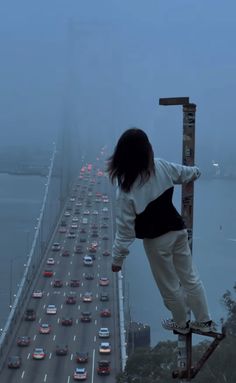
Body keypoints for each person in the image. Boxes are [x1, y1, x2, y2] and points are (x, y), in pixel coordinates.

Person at [107, 128, 215, 334]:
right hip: (178, 230)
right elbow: (186, 173)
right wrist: (197, 172)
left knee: (169, 286)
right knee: (190, 278)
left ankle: (182, 324)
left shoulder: (126, 189)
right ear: (147, 149)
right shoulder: (160, 166)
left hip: (156, 242)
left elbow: (125, 231)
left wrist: (117, 260)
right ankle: (205, 320)